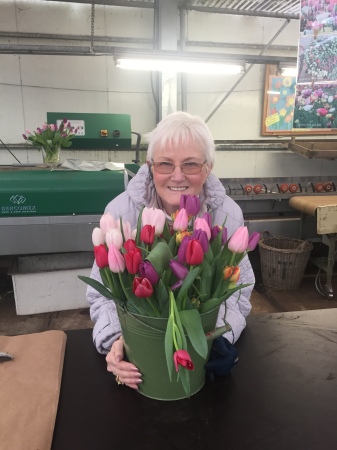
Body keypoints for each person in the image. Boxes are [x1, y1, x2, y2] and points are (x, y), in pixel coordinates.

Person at [87, 111, 255, 390]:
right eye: (165, 164)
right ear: (151, 165)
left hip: (198, 356)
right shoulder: (121, 213)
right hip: (143, 357)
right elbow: (105, 295)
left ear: (208, 167)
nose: (177, 176)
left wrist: (217, 336)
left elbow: (238, 292)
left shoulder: (226, 214)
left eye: (191, 164)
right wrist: (118, 340)